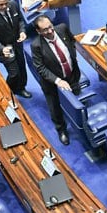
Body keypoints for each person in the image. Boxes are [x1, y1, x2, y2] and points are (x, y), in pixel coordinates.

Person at [31, 15, 81, 145]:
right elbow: (40, 68)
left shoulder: (62, 28)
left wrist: (73, 56)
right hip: (52, 83)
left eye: (50, 27)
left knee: (75, 98)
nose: (49, 31)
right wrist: (58, 81)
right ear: (38, 31)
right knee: (55, 108)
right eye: (45, 30)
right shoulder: (36, 46)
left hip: (71, 75)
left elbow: (72, 40)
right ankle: (61, 130)